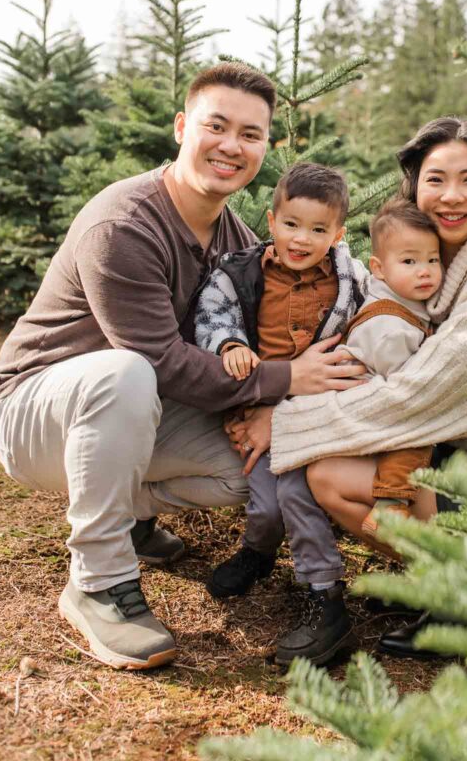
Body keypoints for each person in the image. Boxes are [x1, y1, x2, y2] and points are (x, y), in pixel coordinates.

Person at [0, 62, 364, 671]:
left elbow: (239, 339)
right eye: (217, 125)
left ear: (264, 147)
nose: (231, 145)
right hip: (31, 410)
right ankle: (98, 580)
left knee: (253, 469)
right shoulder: (125, 224)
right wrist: (289, 378)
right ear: (182, 126)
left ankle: (125, 513)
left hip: (132, 412)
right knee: (125, 373)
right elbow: (161, 363)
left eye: (251, 134)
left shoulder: (234, 236)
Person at [226, 117, 467, 656]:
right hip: (464, 459)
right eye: (436, 180)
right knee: (335, 471)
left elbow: (414, 396)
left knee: (330, 475)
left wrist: (282, 419)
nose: (451, 196)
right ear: (415, 186)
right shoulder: (429, 268)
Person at [194, 161, 367, 666]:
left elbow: (371, 328)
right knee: (265, 502)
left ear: (338, 234)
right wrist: (228, 344)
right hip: (264, 400)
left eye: (318, 230)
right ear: (271, 222)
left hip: (316, 411)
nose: (301, 238)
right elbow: (212, 312)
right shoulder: (240, 272)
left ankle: (324, 591)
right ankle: (259, 551)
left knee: (297, 493)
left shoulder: (349, 281)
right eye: (291, 224)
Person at [340, 197, 442, 536]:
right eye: (409, 261)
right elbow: (405, 394)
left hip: (373, 403)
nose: (424, 270)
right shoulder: (389, 325)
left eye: (432, 259)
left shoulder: (407, 300)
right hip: (368, 411)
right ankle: (390, 503)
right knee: (416, 430)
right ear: (379, 268)